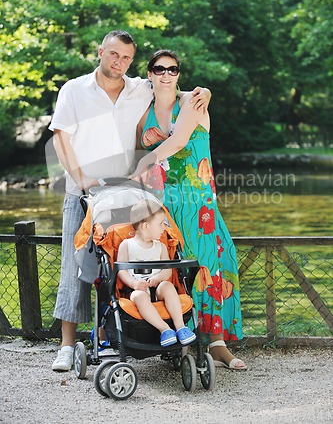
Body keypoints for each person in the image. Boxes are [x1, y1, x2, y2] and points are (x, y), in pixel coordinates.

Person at [49, 31, 211, 371]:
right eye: (113, 54)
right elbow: (61, 137)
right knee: (76, 267)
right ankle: (66, 344)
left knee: (137, 261)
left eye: (125, 57)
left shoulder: (140, 88)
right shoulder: (75, 90)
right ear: (100, 52)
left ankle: (146, 332)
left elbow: (172, 85)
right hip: (85, 192)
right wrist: (79, 179)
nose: (118, 62)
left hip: (129, 193)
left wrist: (205, 93)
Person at [130, 49, 247, 370]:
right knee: (173, 269)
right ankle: (184, 339)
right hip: (163, 204)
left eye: (173, 69)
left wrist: (145, 159)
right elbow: (136, 153)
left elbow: (179, 141)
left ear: (179, 74)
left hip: (198, 204)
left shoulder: (194, 102)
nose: (166, 74)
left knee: (210, 266)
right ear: (150, 74)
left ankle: (218, 344)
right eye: (159, 69)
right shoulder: (144, 114)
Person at [117, 199, 196, 347]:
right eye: (161, 224)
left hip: (158, 287)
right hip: (138, 288)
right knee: (139, 296)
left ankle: (180, 327)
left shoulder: (160, 247)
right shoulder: (127, 245)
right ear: (146, 226)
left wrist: (158, 278)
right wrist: (134, 284)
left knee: (167, 285)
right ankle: (165, 329)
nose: (164, 228)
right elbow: (121, 272)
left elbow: (167, 271)